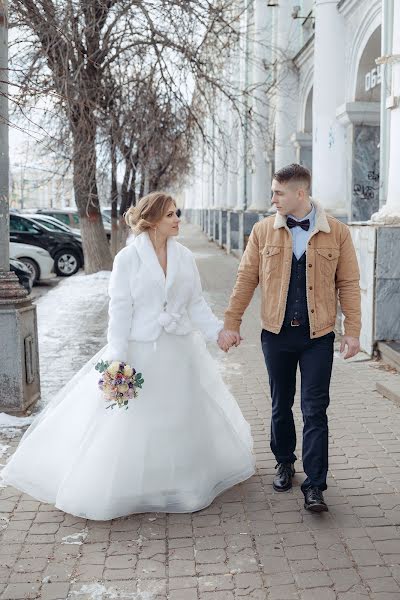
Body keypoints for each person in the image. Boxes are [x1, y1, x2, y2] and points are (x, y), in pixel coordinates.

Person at [1, 192, 255, 520]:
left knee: (178, 416)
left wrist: (217, 333)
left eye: (177, 213)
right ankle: (135, 485)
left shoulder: (185, 257)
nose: (178, 219)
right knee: (133, 419)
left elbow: (195, 304)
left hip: (178, 352)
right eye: (170, 216)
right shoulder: (128, 259)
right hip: (139, 352)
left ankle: (178, 484)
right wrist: (118, 359)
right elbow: (119, 311)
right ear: (151, 222)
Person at [218, 164, 361, 512]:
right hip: (276, 334)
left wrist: (353, 331)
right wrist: (231, 322)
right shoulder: (263, 230)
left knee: (315, 410)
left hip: (318, 336)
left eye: (278, 193)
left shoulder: (337, 233)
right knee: (280, 404)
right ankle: (284, 461)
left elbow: (349, 285)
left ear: (301, 194)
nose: (273, 199)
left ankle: (315, 484)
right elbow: (245, 278)